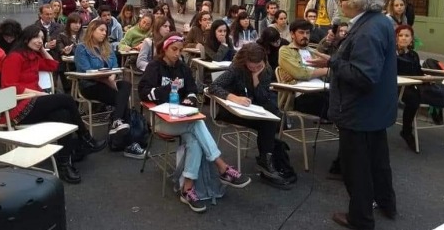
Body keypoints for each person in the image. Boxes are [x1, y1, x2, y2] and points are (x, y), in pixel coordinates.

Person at [307, 0, 397, 230]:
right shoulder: (379, 22)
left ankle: (360, 218)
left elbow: (364, 76)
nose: (340, 3)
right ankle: (386, 203)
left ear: (357, 3)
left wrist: (332, 63)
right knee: (378, 161)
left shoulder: (368, 30)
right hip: (374, 111)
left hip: (359, 111)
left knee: (356, 166)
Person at [138, 32, 251, 212]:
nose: (177, 53)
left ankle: (188, 189)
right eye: (174, 49)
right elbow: (143, 93)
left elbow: (191, 90)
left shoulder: (182, 67)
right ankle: (221, 167)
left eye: (180, 50)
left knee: (194, 139)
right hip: (161, 120)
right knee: (196, 124)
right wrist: (169, 88)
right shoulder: (154, 67)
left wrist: (189, 100)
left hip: (182, 118)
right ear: (164, 49)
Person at [0, 25, 106, 184]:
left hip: (34, 103)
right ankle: (86, 138)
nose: (39, 41)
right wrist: (37, 93)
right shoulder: (15, 57)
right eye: (36, 37)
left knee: (63, 115)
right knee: (66, 99)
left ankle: (64, 163)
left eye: (42, 38)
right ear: (26, 37)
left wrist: (42, 50)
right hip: (18, 108)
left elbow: (54, 66)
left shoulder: (33, 56)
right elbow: (9, 86)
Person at [209, 43, 296, 186]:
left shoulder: (266, 70)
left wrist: (256, 79)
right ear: (245, 62)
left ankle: (266, 159)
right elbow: (213, 87)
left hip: (251, 109)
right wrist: (233, 97)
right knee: (268, 122)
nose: (255, 69)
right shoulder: (236, 68)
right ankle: (266, 160)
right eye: (251, 67)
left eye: (258, 66)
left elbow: (263, 98)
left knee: (270, 117)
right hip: (230, 110)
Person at [73, 20, 141, 158]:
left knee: (126, 86)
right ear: (92, 30)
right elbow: (87, 71)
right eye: (101, 30)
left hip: (109, 81)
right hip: (91, 85)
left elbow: (115, 66)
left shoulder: (107, 47)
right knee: (122, 101)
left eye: (105, 31)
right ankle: (129, 143)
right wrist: (107, 79)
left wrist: (112, 78)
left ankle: (117, 121)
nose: (104, 33)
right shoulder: (82, 48)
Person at [278, 19, 330, 118]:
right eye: (301, 32)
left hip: (322, 90)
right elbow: (300, 73)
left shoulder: (312, 51)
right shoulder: (285, 50)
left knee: (348, 99)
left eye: (307, 33)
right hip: (302, 95)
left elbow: (332, 66)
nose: (305, 36)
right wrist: (325, 71)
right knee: (338, 107)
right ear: (292, 34)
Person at [395, 24, 424, 152]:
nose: (404, 38)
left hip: (412, 86)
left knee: (425, 93)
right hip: (396, 86)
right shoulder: (392, 53)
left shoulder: (414, 55)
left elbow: (418, 73)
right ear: (396, 38)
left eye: (407, 36)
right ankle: (407, 131)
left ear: (411, 39)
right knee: (413, 98)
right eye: (400, 35)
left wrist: (427, 78)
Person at [56, 13, 83, 92]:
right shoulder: (62, 35)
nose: (77, 25)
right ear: (69, 24)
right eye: (75, 23)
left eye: (79, 23)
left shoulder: (84, 35)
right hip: (68, 66)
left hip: (81, 64)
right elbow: (59, 48)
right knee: (70, 90)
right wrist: (65, 51)